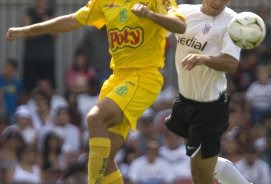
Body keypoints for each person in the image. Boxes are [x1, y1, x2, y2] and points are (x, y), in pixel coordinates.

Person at [6, 1, 186, 184]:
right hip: (117, 78)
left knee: (94, 118)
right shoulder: (104, 2)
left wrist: (150, 15)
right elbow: (71, 20)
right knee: (106, 161)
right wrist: (26, 30)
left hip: (144, 76)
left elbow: (180, 26)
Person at [165, 0, 252, 184]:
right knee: (205, 166)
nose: (219, 2)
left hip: (209, 107)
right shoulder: (183, 12)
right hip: (184, 101)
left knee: (199, 175)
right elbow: (159, 33)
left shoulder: (232, 22)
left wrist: (202, 58)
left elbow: (230, 63)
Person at [21, 0, 56, 94]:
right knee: (29, 88)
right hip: (31, 57)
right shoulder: (28, 12)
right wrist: (45, 27)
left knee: (48, 87)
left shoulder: (50, 13)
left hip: (47, 57)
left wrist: (46, 23)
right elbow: (26, 34)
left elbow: (55, 35)